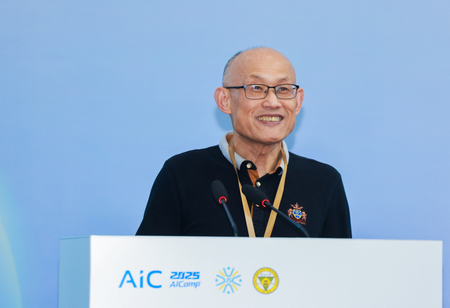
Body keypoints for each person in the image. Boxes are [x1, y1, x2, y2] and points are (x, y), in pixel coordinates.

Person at [137, 47, 351, 238]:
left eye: (284, 89)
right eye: (256, 88)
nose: (273, 102)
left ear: (298, 101)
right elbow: (148, 263)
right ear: (225, 100)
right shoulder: (182, 174)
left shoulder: (324, 182)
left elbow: (341, 266)